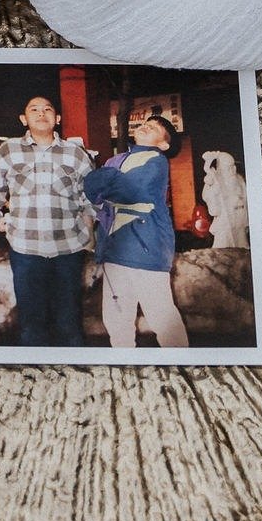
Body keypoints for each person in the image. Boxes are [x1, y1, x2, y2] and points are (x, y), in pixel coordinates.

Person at [0, 95, 94, 347]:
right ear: (24, 119)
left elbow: (91, 197)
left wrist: (87, 230)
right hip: (26, 250)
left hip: (68, 249)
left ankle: (75, 375)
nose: (41, 114)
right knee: (32, 325)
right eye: (34, 109)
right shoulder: (8, 150)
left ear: (58, 118)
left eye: (47, 109)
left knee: (69, 323)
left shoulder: (75, 153)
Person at [84, 113, 190, 349]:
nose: (145, 126)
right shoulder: (118, 159)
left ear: (163, 144)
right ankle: (127, 369)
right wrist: (106, 181)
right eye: (144, 123)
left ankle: (185, 366)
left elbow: (131, 189)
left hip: (147, 249)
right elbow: (91, 188)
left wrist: (103, 177)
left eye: (153, 127)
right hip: (115, 248)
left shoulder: (156, 161)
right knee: (116, 320)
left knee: (161, 316)